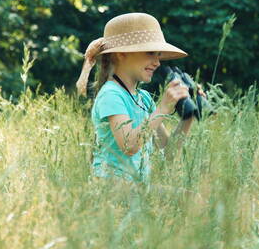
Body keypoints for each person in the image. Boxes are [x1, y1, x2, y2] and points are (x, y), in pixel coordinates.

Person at [76, 12, 207, 183]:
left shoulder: (143, 98)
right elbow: (130, 146)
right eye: (150, 53)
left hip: (136, 190)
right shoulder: (110, 94)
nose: (157, 62)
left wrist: (189, 115)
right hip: (111, 191)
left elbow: (168, 153)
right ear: (122, 54)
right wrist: (163, 108)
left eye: (158, 55)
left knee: (192, 197)